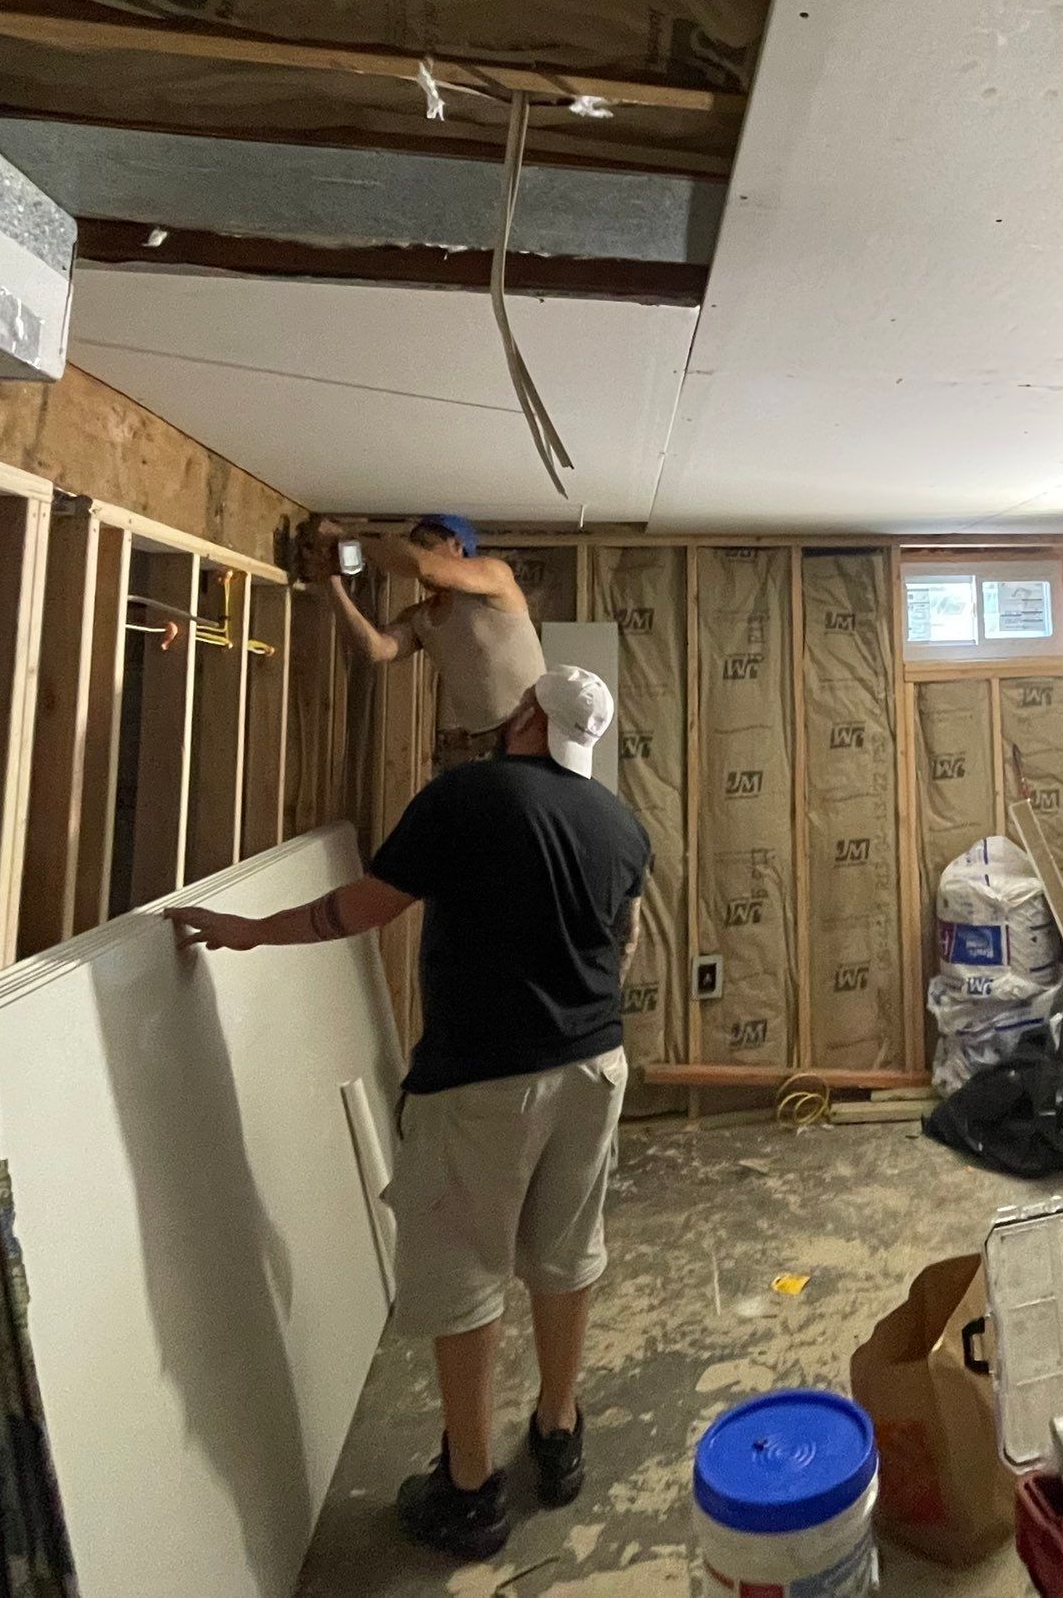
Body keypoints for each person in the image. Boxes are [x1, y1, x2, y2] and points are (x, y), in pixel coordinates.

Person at [166, 665, 649, 1562]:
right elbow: (623, 945)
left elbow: (363, 908)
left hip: (482, 1081)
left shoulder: (468, 795)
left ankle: (469, 1488)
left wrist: (250, 931)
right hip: (595, 1065)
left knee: (465, 1268)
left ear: (528, 717)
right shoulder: (621, 825)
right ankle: (558, 1430)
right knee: (566, 1248)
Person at [315, 514, 545, 762]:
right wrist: (331, 583)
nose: (417, 551)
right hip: (487, 744)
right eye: (413, 545)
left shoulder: (496, 577)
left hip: (532, 728)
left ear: (457, 545)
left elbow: (427, 567)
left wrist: (348, 538)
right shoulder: (420, 618)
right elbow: (376, 648)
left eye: (425, 544)